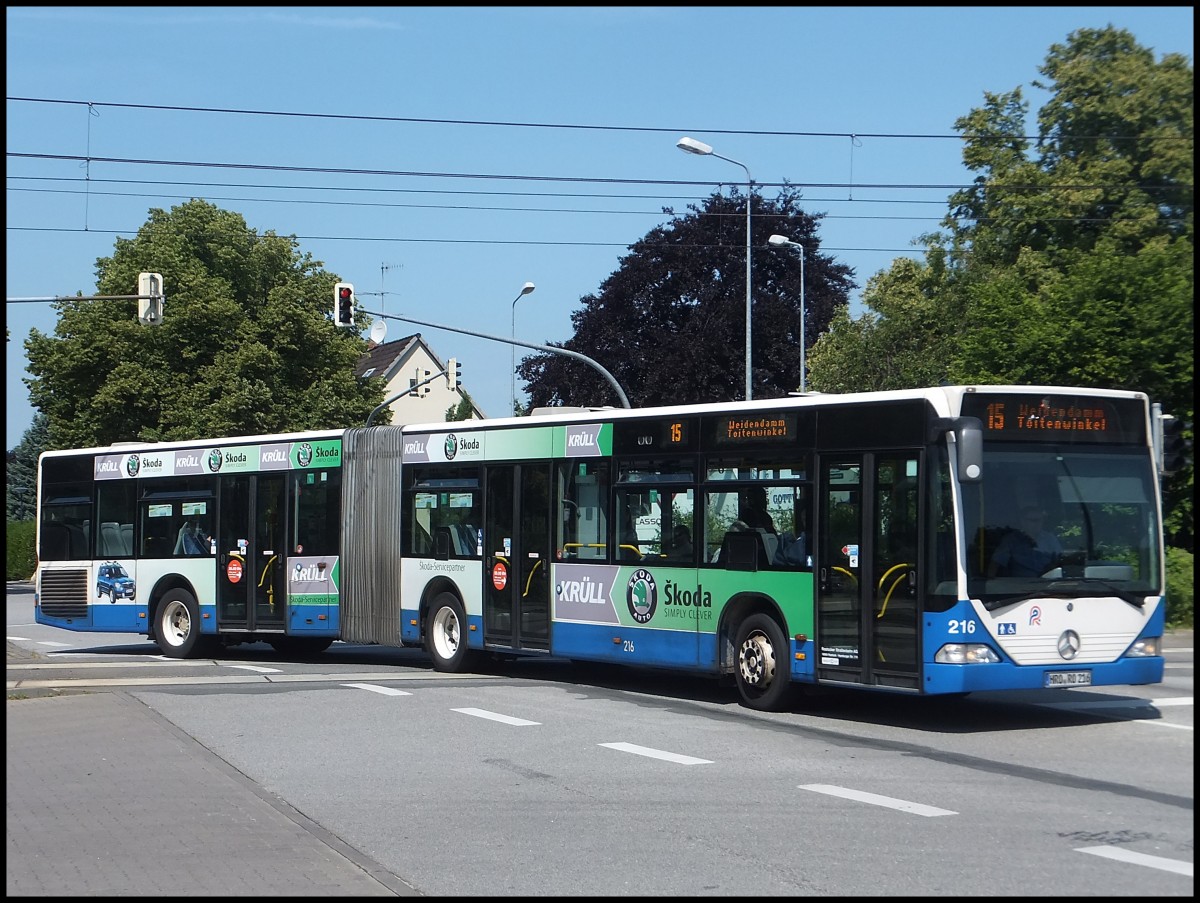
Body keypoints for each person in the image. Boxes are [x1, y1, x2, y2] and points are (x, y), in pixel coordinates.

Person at [988, 507, 1063, 577]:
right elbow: (996, 563)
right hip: (1019, 584)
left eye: (1040, 520)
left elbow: (1058, 561)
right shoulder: (1011, 540)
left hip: (1047, 582)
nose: (1037, 523)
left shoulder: (1050, 539)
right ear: (1022, 521)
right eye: (1033, 520)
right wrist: (990, 581)